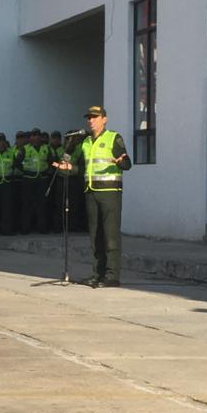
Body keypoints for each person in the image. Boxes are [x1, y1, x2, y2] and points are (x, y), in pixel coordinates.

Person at [53, 106, 131, 287]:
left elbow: (127, 163)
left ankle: (112, 276)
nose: (91, 120)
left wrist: (121, 162)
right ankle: (97, 274)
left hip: (109, 193)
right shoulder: (86, 142)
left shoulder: (113, 138)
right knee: (95, 236)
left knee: (110, 235)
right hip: (91, 191)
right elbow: (82, 168)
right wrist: (69, 168)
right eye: (89, 117)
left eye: (95, 117)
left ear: (104, 119)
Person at [17, 128, 51, 234]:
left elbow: (52, 161)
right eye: (33, 135)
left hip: (42, 180)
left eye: (37, 135)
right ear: (30, 137)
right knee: (27, 204)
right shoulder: (25, 149)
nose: (35, 137)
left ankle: (42, 227)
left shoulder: (46, 148)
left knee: (42, 204)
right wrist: (25, 171)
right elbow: (17, 162)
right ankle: (25, 227)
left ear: (40, 137)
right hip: (28, 180)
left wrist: (48, 170)